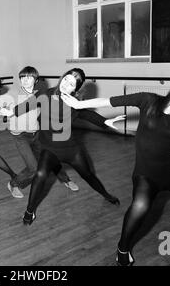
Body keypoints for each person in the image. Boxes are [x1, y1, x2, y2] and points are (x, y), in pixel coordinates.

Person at [0, 68, 122, 226]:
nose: (66, 84)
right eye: (66, 79)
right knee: (40, 175)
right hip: (50, 149)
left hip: (71, 149)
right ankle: (29, 211)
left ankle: (107, 195)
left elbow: (87, 114)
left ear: (75, 89)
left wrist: (105, 122)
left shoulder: (74, 103)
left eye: (71, 84)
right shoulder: (45, 94)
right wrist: (11, 112)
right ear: (61, 78)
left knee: (89, 176)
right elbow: (27, 105)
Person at [61, 89, 170, 266]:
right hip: (147, 172)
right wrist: (79, 105)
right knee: (141, 204)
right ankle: (123, 249)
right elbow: (110, 101)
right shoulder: (148, 101)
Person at [0, 66, 79, 199]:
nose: (25, 80)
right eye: (22, 77)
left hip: (37, 134)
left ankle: (65, 179)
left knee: (51, 158)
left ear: (36, 79)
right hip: (20, 137)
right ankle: (13, 184)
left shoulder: (41, 93)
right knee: (33, 168)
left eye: (29, 77)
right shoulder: (14, 93)